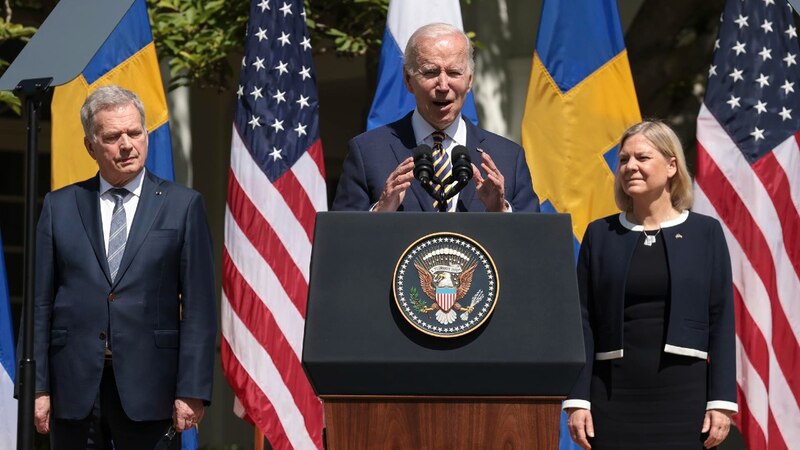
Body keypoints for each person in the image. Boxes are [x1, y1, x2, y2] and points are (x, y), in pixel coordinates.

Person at [32, 85, 217, 449]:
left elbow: (199, 308)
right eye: (113, 136)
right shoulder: (60, 206)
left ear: (146, 135)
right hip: (74, 386)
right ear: (91, 146)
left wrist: (192, 390)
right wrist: (38, 387)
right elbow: (40, 304)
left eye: (134, 132)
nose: (127, 144)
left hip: (153, 389)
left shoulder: (183, 206)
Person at [564, 120, 737, 450]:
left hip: (685, 397)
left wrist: (721, 400)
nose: (630, 167)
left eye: (642, 158)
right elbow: (581, 321)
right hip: (612, 395)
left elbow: (722, 317)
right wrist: (578, 400)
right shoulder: (600, 235)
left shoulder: (706, 233)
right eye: (624, 159)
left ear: (672, 165)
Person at [333, 23, 539, 212]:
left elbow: (534, 242)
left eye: (454, 73)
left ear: (469, 80)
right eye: (430, 72)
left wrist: (501, 212)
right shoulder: (367, 153)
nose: (442, 85)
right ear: (408, 79)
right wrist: (380, 211)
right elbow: (340, 241)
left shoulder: (508, 157)